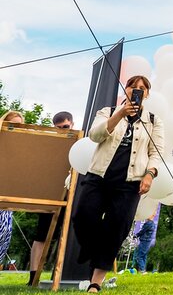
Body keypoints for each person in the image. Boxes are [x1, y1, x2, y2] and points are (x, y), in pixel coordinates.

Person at [72, 75, 164, 293]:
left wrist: (150, 174)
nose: (137, 90)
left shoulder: (153, 120)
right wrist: (120, 114)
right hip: (99, 176)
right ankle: (92, 253)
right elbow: (94, 136)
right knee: (82, 217)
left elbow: (156, 152)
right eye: (133, 86)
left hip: (129, 183)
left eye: (142, 88)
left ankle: (95, 283)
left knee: (116, 229)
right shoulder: (107, 112)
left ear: (147, 94)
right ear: (126, 89)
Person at [29, 111, 75, 285]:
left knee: (70, 236)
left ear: (72, 123)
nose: (63, 131)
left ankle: (65, 275)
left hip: (73, 196)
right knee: (41, 235)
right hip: (51, 195)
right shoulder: (50, 144)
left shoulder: (80, 141)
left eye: (65, 127)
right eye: (58, 128)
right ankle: (33, 276)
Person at [0, 111, 25, 267]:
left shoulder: (22, 147)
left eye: (21, 125)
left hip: (8, 195)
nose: (17, 128)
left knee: (4, 234)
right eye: (14, 125)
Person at [132, 205, 159, 274]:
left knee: (140, 256)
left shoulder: (148, 223)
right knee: (144, 256)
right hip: (148, 241)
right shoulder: (152, 224)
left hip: (144, 241)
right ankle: (143, 269)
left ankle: (142, 270)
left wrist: (136, 235)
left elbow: (142, 231)